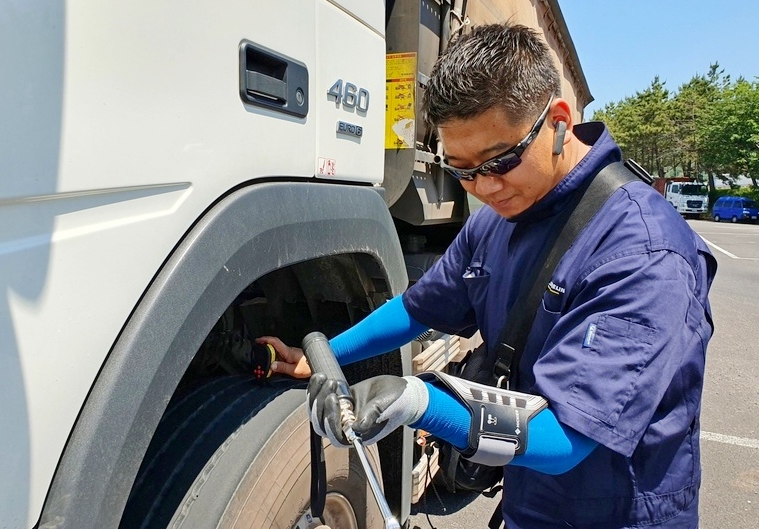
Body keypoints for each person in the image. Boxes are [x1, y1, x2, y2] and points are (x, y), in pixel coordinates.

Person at [258, 23, 716, 529]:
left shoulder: (643, 253)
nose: (484, 186)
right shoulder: (494, 221)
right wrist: (322, 357)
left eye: (499, 160)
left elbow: (566, 436)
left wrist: (420, 400)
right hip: (531, 499)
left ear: (559, 121)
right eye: (462, 170)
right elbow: (417, 309)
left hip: (617, 511)